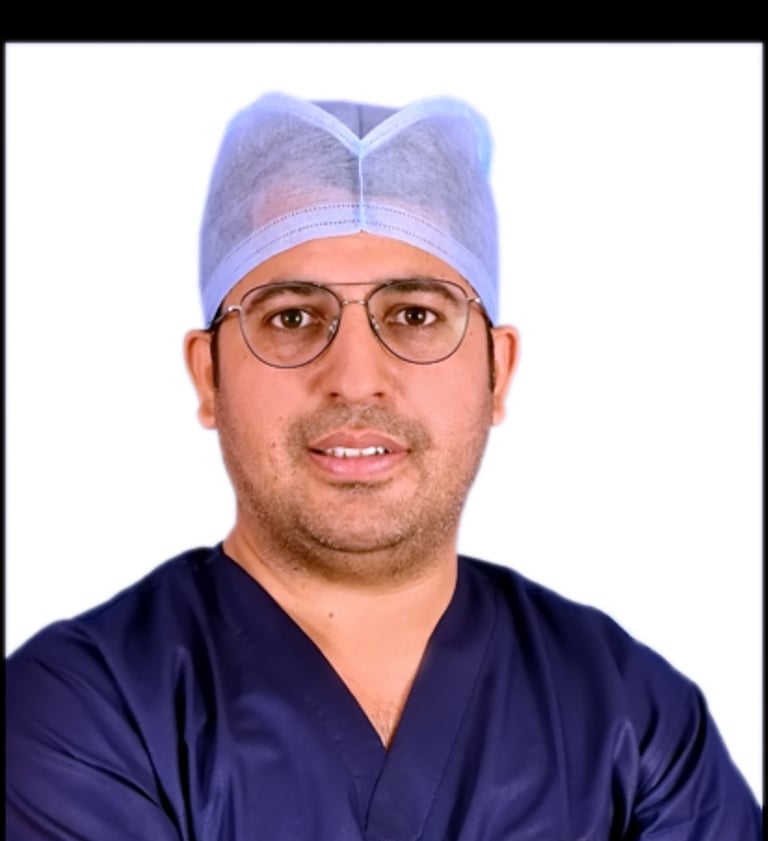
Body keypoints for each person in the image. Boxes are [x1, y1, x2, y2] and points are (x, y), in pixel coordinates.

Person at [5, 92, 761, 840]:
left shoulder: (634, 721)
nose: (357, 377)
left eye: (415, 315)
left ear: (497, 371)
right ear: (209, 376)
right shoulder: (85, 711)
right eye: (292, 317)